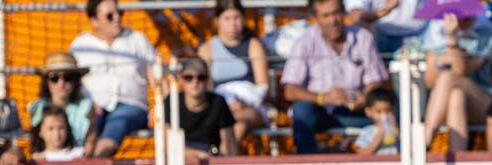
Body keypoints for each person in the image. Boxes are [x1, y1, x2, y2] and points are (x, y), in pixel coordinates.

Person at [282, 0, 390, 154]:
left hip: (358, 111)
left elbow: (376, 81)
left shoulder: (363, 37)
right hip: (321, 112)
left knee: (393, 108)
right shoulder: (304, 42)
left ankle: (397, 161)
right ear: (315, 18)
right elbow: (290, 90)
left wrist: (365, 98)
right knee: (301, 111)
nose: (333, 20)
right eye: (326, 15)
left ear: (344, 12)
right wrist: (322, 98)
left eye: (336, 13)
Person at [70, 0, 157, 157]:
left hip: (132, 106)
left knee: (118, 122)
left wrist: (160, 108)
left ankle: (93, 164)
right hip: (93, 108)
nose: (117, 18)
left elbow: (156, 78)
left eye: (119, 13)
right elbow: (71, 83)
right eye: (110, 16)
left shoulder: (138, 39)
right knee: (87, 127)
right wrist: (86, 104)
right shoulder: (80, 45)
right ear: (94, 21)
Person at [422, 8, 492, 152]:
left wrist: (453, 40)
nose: (462, 19)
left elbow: (460, 72)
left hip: (483, 102)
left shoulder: (486, 32)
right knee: (456, 95)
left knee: (448, 77)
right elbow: (428, 81)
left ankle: (425, 140)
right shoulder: (435, 31)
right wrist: (442, 60)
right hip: (446, 104)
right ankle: (457, 157)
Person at [199, 0, 271, 142]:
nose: (233, 23)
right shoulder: (207, 50)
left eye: (237, 18)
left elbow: (263, 87)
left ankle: (221, 160)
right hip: (218, 107)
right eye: (227, 18)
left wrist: (243, 102)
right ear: (217, 21)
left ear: (243, 19)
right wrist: (224, 105)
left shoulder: (253, 45)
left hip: (250, 109)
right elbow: (205, 89)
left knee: (237, 124)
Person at [163, 58, 240, 156]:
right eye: (188, 77)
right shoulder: (171, 101)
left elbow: (229, 146)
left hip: (213, 157)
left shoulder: (218, 102)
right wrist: (199, 154)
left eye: (201, 77)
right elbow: (166, 146)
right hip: (179, 160)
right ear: (181, 79)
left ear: (207, 79)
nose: (195, 82)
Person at [28, 52, 97, 157]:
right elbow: (35, 143)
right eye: (54, 78)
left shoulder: (87, 107)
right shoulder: (37, 107)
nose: (61, 83)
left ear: (75, 81)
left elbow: (91, 140)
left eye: (67, 77)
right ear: (46, 82)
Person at [345, 0, 428, 55]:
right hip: (381, 35)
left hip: (420, 34)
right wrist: (384, 11)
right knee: (361, 28)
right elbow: (355, 15)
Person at [355, 85, 401, 153]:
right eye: (378, 111)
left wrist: (399, 133)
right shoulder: (367, 131)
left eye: (388, 110)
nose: (384, 115)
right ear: (368, 112)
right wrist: (379, 136)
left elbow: (413, 149)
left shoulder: (400, 129)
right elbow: (362, 154)